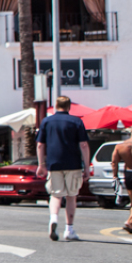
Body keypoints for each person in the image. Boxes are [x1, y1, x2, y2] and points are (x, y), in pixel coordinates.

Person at [36, 95, 91, 242]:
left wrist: (41, 165)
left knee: (55, 194)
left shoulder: (46, 121)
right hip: (73, 164)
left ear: (55, 106)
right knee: (71, 196)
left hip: (54, 164)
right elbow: (84, 145)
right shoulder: (76, 121)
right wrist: (86, 167)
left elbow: (40, 145)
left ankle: (53, 219)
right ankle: (69, 229)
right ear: (69, 107)